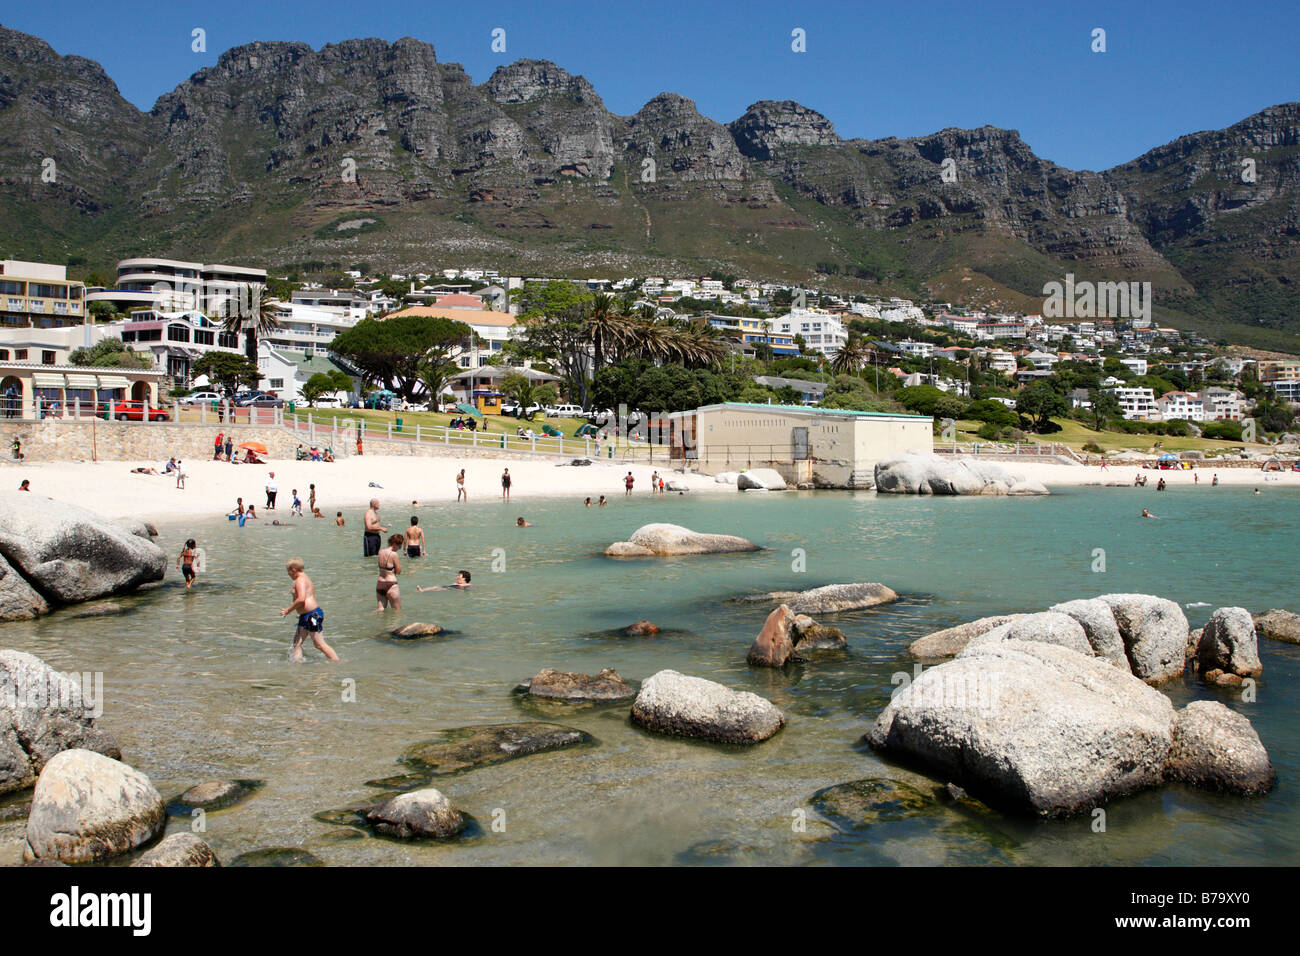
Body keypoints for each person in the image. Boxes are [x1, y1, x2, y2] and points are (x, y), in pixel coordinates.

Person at [281, 558, 339, 663]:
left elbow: (301, 599)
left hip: (312, 615)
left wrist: (287, 610)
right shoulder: (303, 578)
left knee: (319, 644)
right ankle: (297, 666)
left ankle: (337, 662)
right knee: (297, 643)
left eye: (288, 571)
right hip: (306, 615)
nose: (288, 574)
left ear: (293, 570)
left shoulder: (300, 580)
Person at [376, 534, 403, 612]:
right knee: (397, 612)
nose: (399, 548)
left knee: (380, 610)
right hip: (391, 584)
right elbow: (398, 571)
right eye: (399, 546)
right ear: (395, 544)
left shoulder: (380, 552)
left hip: (380, 583)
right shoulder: (394, 554)